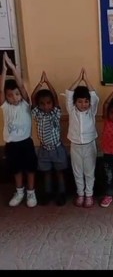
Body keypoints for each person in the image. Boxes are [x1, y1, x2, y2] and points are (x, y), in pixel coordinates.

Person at [0, 52, 38, 207]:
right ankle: (19, 191)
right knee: (16, 170)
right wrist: (3, 70)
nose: (15, 97)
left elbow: (21, 85)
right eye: (11, 95)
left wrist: (12, 68)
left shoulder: (25, 104)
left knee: (29, 169)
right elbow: (1, 91)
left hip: (26, 143)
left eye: (17, 94)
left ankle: (31, 193)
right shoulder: (5, 107)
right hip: (12, 145)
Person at [31, 71, 69, 206]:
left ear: (52, 104)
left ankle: (62, 193)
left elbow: (55, 98)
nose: (46, 106)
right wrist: (40, 84)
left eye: (48, 103)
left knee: (59, 173)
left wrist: (48, 83)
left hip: (57, 149)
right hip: (44, 150)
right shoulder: (37, 114)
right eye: (42, 104)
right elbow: (33, 98)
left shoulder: (55, 113)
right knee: (46, 173)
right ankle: (47, 194)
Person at [66, 68, 99, 208]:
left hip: (89, 144)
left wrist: (86, 80)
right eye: (80, 101)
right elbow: (69, 93)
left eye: (86, 102)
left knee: (89, 171)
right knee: (77, 171)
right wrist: (79, 79)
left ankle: (89, 194)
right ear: (75, 103)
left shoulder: (91, 111)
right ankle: (80, 194)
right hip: (75, 145)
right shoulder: (72, 110)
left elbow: (94, 96)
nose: (83, 104)